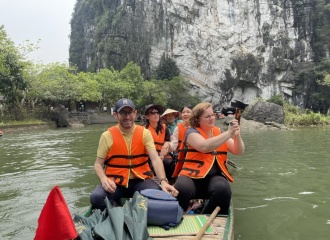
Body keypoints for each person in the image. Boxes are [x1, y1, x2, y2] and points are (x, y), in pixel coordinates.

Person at [90, 98, 178, 210]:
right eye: (123, 113)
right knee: (96, 198)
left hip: (140, 180)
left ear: (135, 113)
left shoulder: (144, 133)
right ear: (116, 115)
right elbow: (98, 165)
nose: (127, 117)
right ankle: (116, 211)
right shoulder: (107, 136)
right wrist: (104, 179)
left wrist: (163, 181)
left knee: (157, 195)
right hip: (115, 182)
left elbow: (155, 159)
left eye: (130, 112)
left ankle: (126, 210)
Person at [173, 102, 245, 214]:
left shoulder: (218, 132)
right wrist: (229, 133)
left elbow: (238, 151)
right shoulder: (191, 132)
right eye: (207, 116)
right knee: (181, 188)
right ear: (197, 119)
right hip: (191, 175)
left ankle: (206, 214)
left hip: (213, 177)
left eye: (213, 115)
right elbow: (204, 146)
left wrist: (237, 136)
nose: (212, 118)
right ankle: (178, 215)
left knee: (223, 189)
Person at [144, 104, 174, 182]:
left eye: (157, 112)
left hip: (163, 155)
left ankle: (170, 183)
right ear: (147, 116)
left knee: (169, 162)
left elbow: (167, 141)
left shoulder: (164, 128)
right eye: (152, 113)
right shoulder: (143, 130)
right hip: (149, 157)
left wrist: (164, 150)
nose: (156, 114)